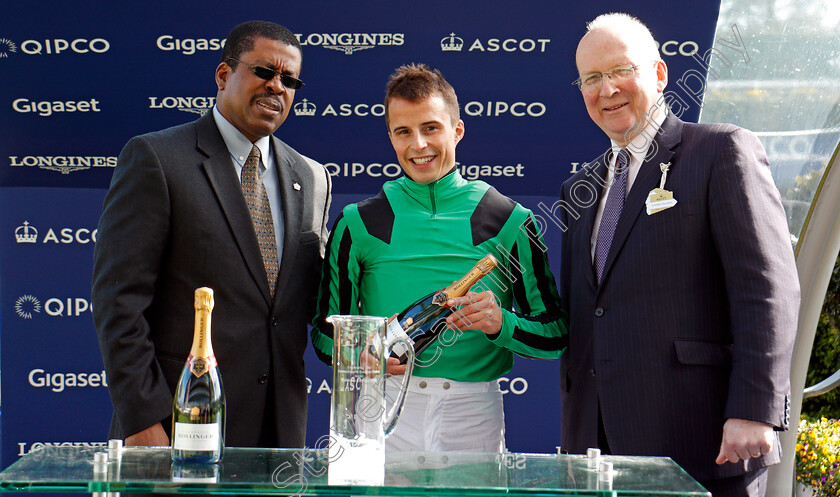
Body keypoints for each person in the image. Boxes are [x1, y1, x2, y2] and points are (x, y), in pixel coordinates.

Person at [556, 12, 799, 497]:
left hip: (704, 444)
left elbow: (767, 288)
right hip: (595, 455)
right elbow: (589, 315)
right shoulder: (578, 190)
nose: (608, 90)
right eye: (592, 79)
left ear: (660, 74)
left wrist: (753, 409)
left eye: (621, 70)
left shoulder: (721, 151)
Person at [92, 20, 331, 449]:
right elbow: (119, 302)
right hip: (178, 425)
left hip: (278, 437)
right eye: (264, 71)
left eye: (290, 79)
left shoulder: (313, 177)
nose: (278, 87)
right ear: (224, 75)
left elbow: (312, 303)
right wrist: (142, 420)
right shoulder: (157, 159)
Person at [310, 63, 567, 453]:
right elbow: (326, 334)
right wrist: (358, 354)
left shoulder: (510, 220)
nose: (418, 145)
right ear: (391, 138)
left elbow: (555, 335)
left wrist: (500, 323)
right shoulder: (357, 223)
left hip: (473, 411)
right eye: (403, 132)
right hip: (381, 404)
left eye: (431, 128)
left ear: (457, 130)